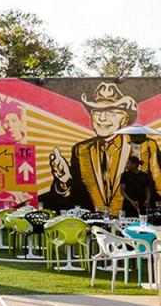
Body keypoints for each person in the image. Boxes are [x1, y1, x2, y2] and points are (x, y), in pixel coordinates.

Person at [46, 82, 161, 213]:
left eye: (111, 112)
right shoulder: (81, 150)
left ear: (124, 119)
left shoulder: (146, 146)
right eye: (97, 111)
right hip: (96, 222)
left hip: (133, 216)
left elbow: (159, 187)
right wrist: (64, 182)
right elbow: (74, 195)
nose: (102, 118)